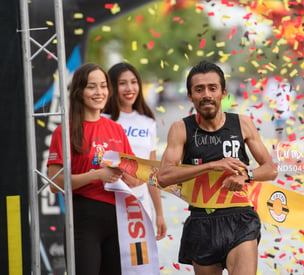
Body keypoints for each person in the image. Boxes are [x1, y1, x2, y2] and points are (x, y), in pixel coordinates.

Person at [157, 60, 278, 275]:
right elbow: (164, 176)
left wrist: (247, 175)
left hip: (241, 219)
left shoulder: (242, 124)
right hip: (202, 222)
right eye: (199, 89)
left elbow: (270, 169)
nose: (206, 94)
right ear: (190, 95)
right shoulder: (181, 129)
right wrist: (212, 166)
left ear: (223, 93)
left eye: (212, 88)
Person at [47, 63, 141, 275]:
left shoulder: (116, 129)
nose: (99, 92)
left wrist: (147, 176)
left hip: (117, 218)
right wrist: (97, 175)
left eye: (103, 86)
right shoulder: (64, 131)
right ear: (79, 92)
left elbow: (133, 177)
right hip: (83, 219)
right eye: (92, 87)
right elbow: (55, 183)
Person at [103, 62, 167, 240]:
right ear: (113, 87)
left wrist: (159, 213)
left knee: (139, 261)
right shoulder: (102, 119)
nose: (129, 88)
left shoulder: (148, 121)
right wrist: (123, 173)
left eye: (133, 82)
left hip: (140, 202)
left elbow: (151, 171)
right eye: (122, 83)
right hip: (110, 200)